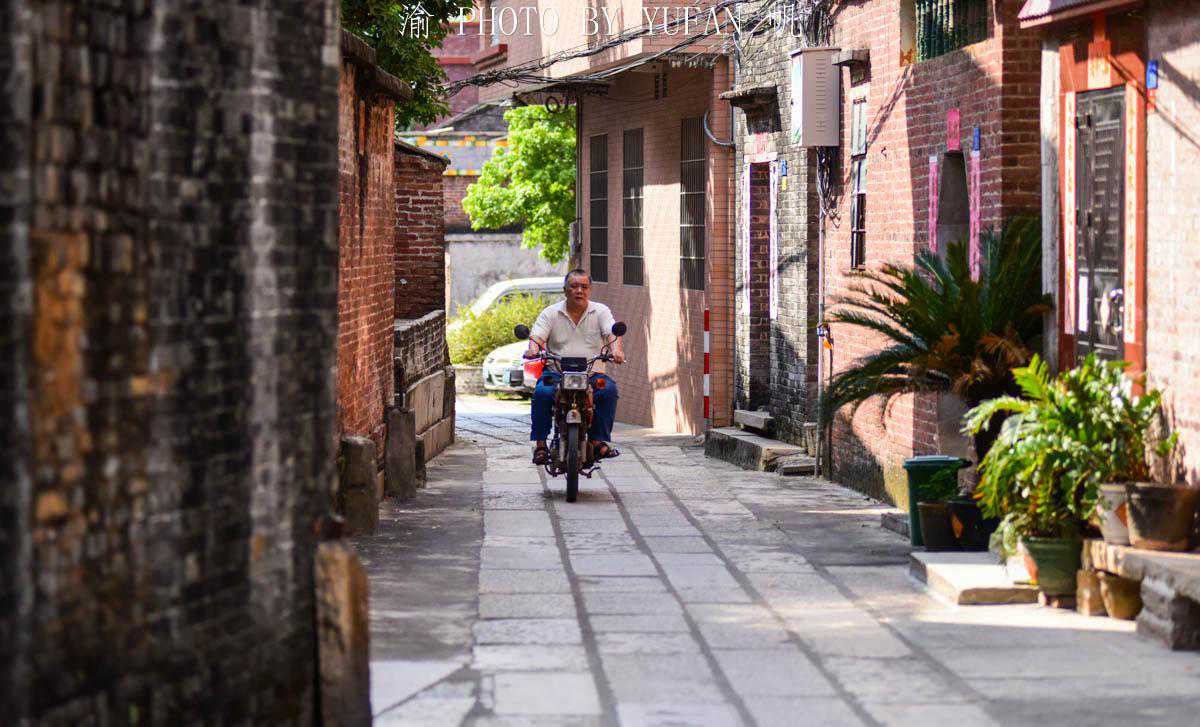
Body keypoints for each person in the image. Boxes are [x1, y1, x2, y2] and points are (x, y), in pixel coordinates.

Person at [525, 269, 625, 465]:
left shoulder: (601, 311)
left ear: (590, 290)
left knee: (609, 390)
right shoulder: (551, 313)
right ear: (565, 290)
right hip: (556, 373)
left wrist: (617, 351)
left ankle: (597, 440)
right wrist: (532, 349)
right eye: (574, 286)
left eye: (584, 287)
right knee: (542, 393)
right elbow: (537, 336)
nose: (579, 290)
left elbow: (612, 334)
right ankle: (540, 445)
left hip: (592, 373)